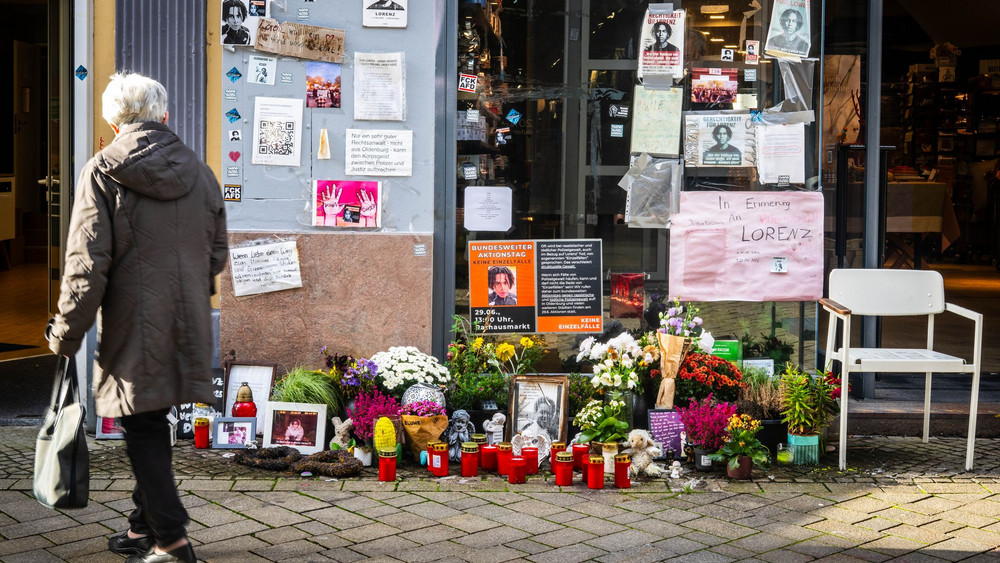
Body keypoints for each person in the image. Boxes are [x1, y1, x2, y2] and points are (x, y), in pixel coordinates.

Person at [46, 72, 227, 563]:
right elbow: (216, 255)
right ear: (164, 116)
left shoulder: (102, 170)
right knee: (152, 419)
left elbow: (87, 265)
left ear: (112, 120)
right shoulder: (201, 171)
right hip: (186, 319)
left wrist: (65, 332)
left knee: (143, 426)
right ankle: (141, 527)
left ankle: (170, 539)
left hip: (133, 323)